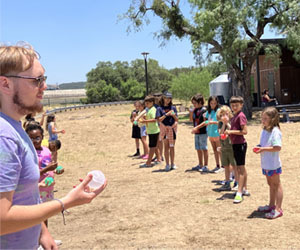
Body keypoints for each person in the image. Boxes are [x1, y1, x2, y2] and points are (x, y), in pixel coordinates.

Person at [0, 43, 107, 249]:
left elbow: (23, 195)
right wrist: (64, 203)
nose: (44, 86)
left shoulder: (14, 127)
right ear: (5, 84)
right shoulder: (4, 136)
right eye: (36, 80)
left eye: (44, 79)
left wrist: (42, 231)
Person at [26, 123, 64, 228]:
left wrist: (57, 170)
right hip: (36, 189)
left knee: (45, 214)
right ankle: (38, 241)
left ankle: (45, 238)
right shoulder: (28, 154)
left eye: (37, 137)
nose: (35, 140)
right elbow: (30, 174)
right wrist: (47, 169)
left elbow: (51, 166)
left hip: (48, 188)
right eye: (31, 138)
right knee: (38, 216)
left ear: (42, 137)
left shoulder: (46, 150)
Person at [253, 107, 283, 219]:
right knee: (270, 184)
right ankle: (271, 205)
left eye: (265, 118)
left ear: (272, 119)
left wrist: (263, 149)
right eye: (262, 118)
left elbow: (277, 147)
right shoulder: (264, 131)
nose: (263, 120)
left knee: (277, 184)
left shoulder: (276, 132)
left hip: (273, 164)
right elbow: (264, 144)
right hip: (266, 163)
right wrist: (259, 147)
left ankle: (278, 209)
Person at [225, 96, 249, 203]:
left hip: (240, 145)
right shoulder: (234, 116)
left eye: (237, 105)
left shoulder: (241, 116)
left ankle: (239, 192)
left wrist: (231, 132)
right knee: (241, 168)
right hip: (235, 144)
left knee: (240, 169)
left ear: (241, 105)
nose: (234, 107)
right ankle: (244, 188)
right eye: (233, 105)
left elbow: (244, 131)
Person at [156, 92, 178, 171]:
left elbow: (177, 119)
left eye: (169, 98)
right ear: (163, 98)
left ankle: (172, 163)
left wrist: (173, 115)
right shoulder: (159, 108)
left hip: (172, 129)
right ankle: (167, 164)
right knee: (166, 147)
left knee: (172, 146)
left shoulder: (173, 108)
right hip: (164, 130)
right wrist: (166, 114)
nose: (167, 100)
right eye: (166, 98)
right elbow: (158, 120)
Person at [216, 106, 237, 191]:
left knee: (234, 165)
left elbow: (232, 130)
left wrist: (227, 123)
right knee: (226, 166)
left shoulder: (232, 122)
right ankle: (227, 182)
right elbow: (220, 133)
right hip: (224, 147)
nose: (224, 116)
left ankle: (236, 182)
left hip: (231, 146)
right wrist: (224, 123)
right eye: (222, 114)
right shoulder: (220, 123)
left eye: (226, 114)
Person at [139, 96, 161, 168]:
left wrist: (145, 121)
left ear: (152, 102)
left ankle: (148, 162)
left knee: (152, 147)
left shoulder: (153, 110)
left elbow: (155, 119)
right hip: (151, 130)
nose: (146, 104)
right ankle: (158, 159)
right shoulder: (148, 109)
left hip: (154, 131)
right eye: (146, 103)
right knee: (154, 146)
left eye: (148, 103)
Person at [204, 96, 222, 173]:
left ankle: (223, 165)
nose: (213, 104)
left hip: (216, 132)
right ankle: (217, 165)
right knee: (214, 150)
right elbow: (206, 120)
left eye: (214, 103)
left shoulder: (219, 111)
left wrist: (212, 122)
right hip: (210, 132)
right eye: (211, 103)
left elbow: (221, 122)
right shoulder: (209, 111)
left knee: (219, 149)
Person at [191, 94, 208, 172]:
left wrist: (197, 127)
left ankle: (205, 165)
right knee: (198, 148)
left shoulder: (204, 110)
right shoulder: (194, 110)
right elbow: (191, 120)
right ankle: (200, 164)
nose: (193, 104)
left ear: (200, 102)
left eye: (195, 103)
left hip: (203, 132)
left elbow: (205, 121)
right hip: (196, 132)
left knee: (204, 148)